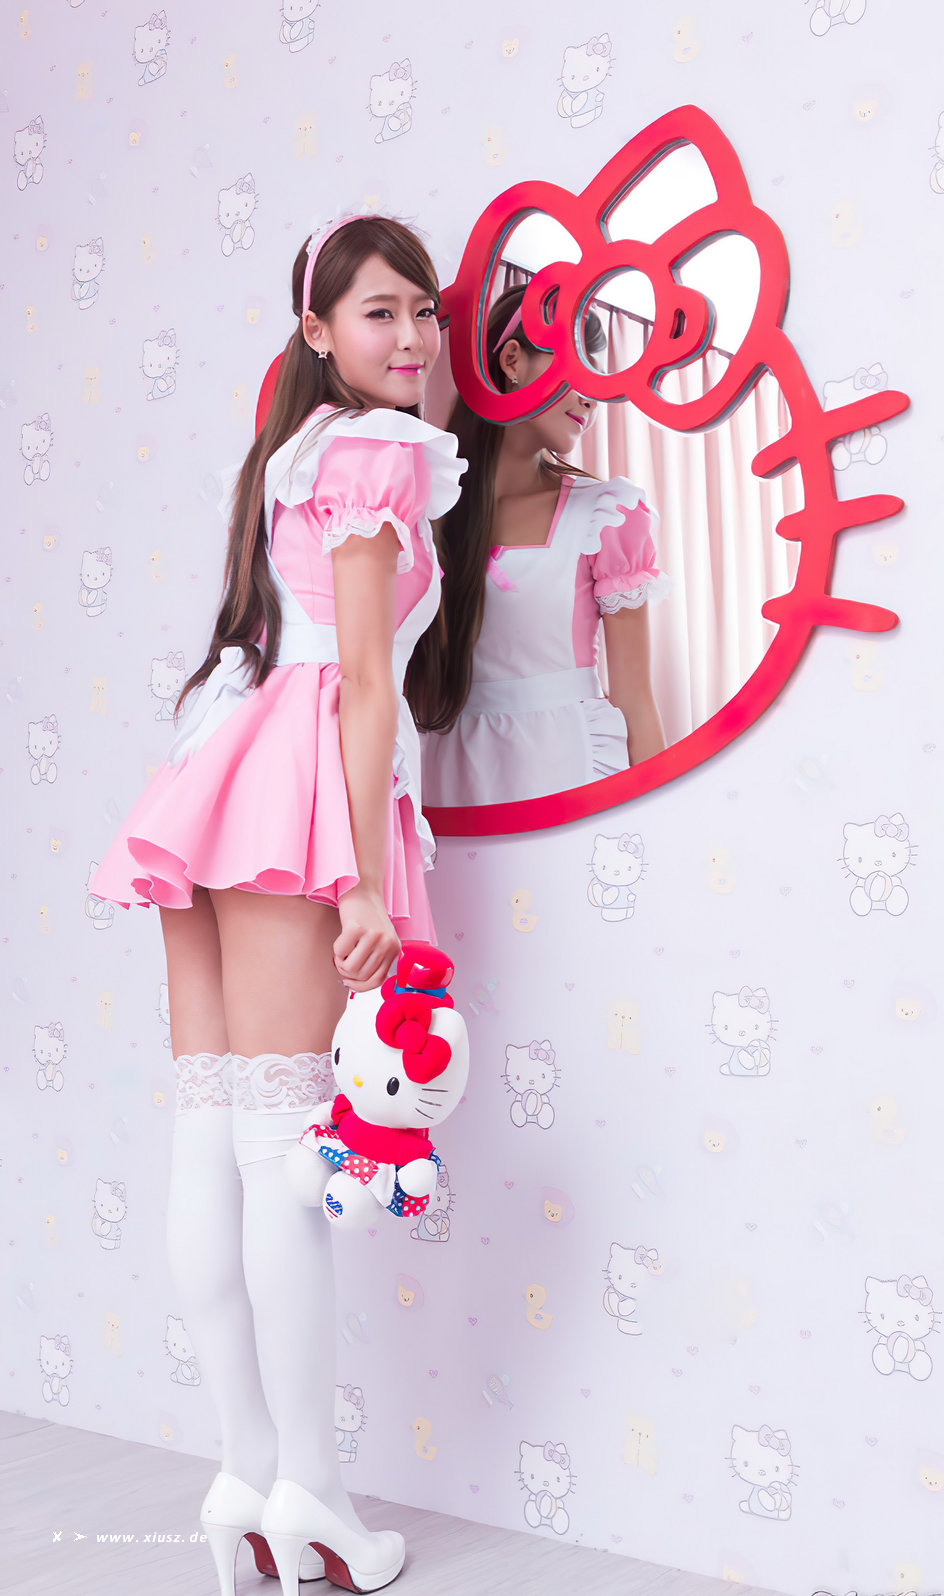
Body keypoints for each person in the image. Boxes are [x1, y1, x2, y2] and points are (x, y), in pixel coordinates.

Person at [87, 212, 465, 1596]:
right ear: (316, 330)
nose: (411, 337)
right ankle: (312, 1488)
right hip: (296, 783)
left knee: (213, 1132)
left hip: (218, 766)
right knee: (281, 1151)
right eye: (379, 313)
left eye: (424, 312)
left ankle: (245, 1472)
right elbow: (362, 680)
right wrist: (359, 871)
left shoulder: (290, 452)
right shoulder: (376, 453)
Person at [408, 283, 668, 806]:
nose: (590, 398)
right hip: (441, 777)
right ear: (512, 360)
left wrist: (660, 824)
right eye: (579, 372)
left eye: (599, 383)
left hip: (563, 772)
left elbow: (635, 700)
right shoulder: (422, 507)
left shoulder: (605, 517)